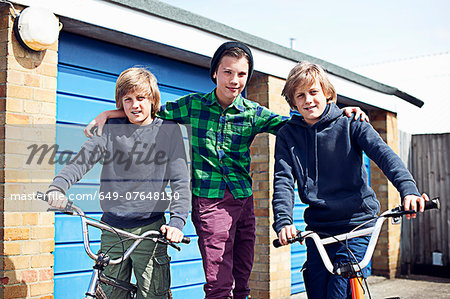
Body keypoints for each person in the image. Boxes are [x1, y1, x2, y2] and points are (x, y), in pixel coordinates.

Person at [84, 42, 368, 299]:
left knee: (243, 281)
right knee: (219, 284)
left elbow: (297, 122)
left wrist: (340, 113)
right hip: (210, 202)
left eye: (242, 74)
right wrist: (109, 114)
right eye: (228, 72)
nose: (235, 80)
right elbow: (149, 109)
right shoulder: (193, 106)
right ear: (215, 74)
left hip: (243, 201)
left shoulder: (253, 113)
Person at [272, 61, 429, 299]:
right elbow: (283, 180)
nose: (308, 100)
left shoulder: (351, 123)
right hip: (320, 230)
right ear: (293, 102)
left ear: (327, 93)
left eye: (314, 92)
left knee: (340, 291)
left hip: (357, 224)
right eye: (300, 95)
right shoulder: (287, 135)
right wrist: (284, 221)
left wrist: (408, 190)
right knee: (317, 289)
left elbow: (385, 156)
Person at [46, 67, 190, 299]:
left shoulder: (168, 131)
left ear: (152, 99)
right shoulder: (111, 129)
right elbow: (83, 159)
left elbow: (180, 182)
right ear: (120, 103)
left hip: (150, 230)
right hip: (112, 229)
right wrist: (59, 186)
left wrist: (177, 222)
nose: (135, 105)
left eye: (141, 98)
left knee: (154, 294)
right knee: (111, 294)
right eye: (128, 99)